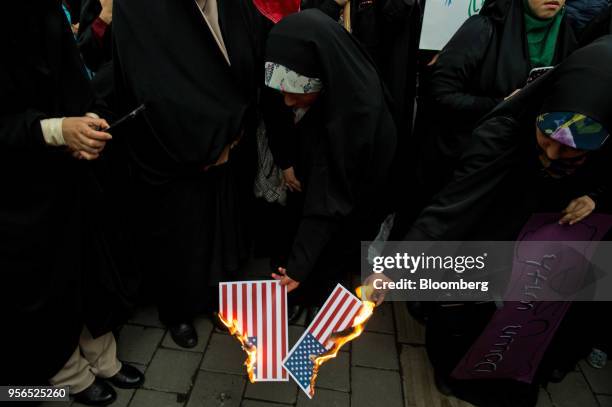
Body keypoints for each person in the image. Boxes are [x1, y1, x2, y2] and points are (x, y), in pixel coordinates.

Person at [400, 35, 612, 407]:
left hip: (555, 249)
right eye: (545, 140)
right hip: (493, 219)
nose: (550, 157)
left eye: (570, 156)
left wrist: (597, 196)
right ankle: (451, 369)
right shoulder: (503, 131)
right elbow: (454, 205)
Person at [113, 0, 280, 347]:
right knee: (179, 236)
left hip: (228, 137)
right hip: (175, 145)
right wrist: (205, 142)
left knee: (221, 228)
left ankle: (217, 300)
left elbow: (247, 48)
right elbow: (152, 82)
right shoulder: (142, 9)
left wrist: (232, 129)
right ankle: (179, 312)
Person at [1, 2, 143, 405]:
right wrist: (57, 131)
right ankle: (67, 372)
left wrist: (89, 118)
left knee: (88, 261)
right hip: (19, 189)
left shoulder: (43, 9)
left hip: (71, 173)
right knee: (43, 282)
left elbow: (69, 73)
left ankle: (101, 354)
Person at [395, 0, 578, 237]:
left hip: (510, 176)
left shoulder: (567, 37)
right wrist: (501, 105)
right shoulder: (483, 28)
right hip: (456, 165)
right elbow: (440, 94)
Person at [264, 10, 397, 317]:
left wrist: (298, 267)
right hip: (321, 193)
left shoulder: (358, 114)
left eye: (297, 93)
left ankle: (315, 297)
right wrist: (287, 162)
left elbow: (329, 198)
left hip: (349, 198)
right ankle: (301, 293)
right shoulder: (326, 67)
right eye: (281, 91)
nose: (286, 102)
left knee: (328, 253)